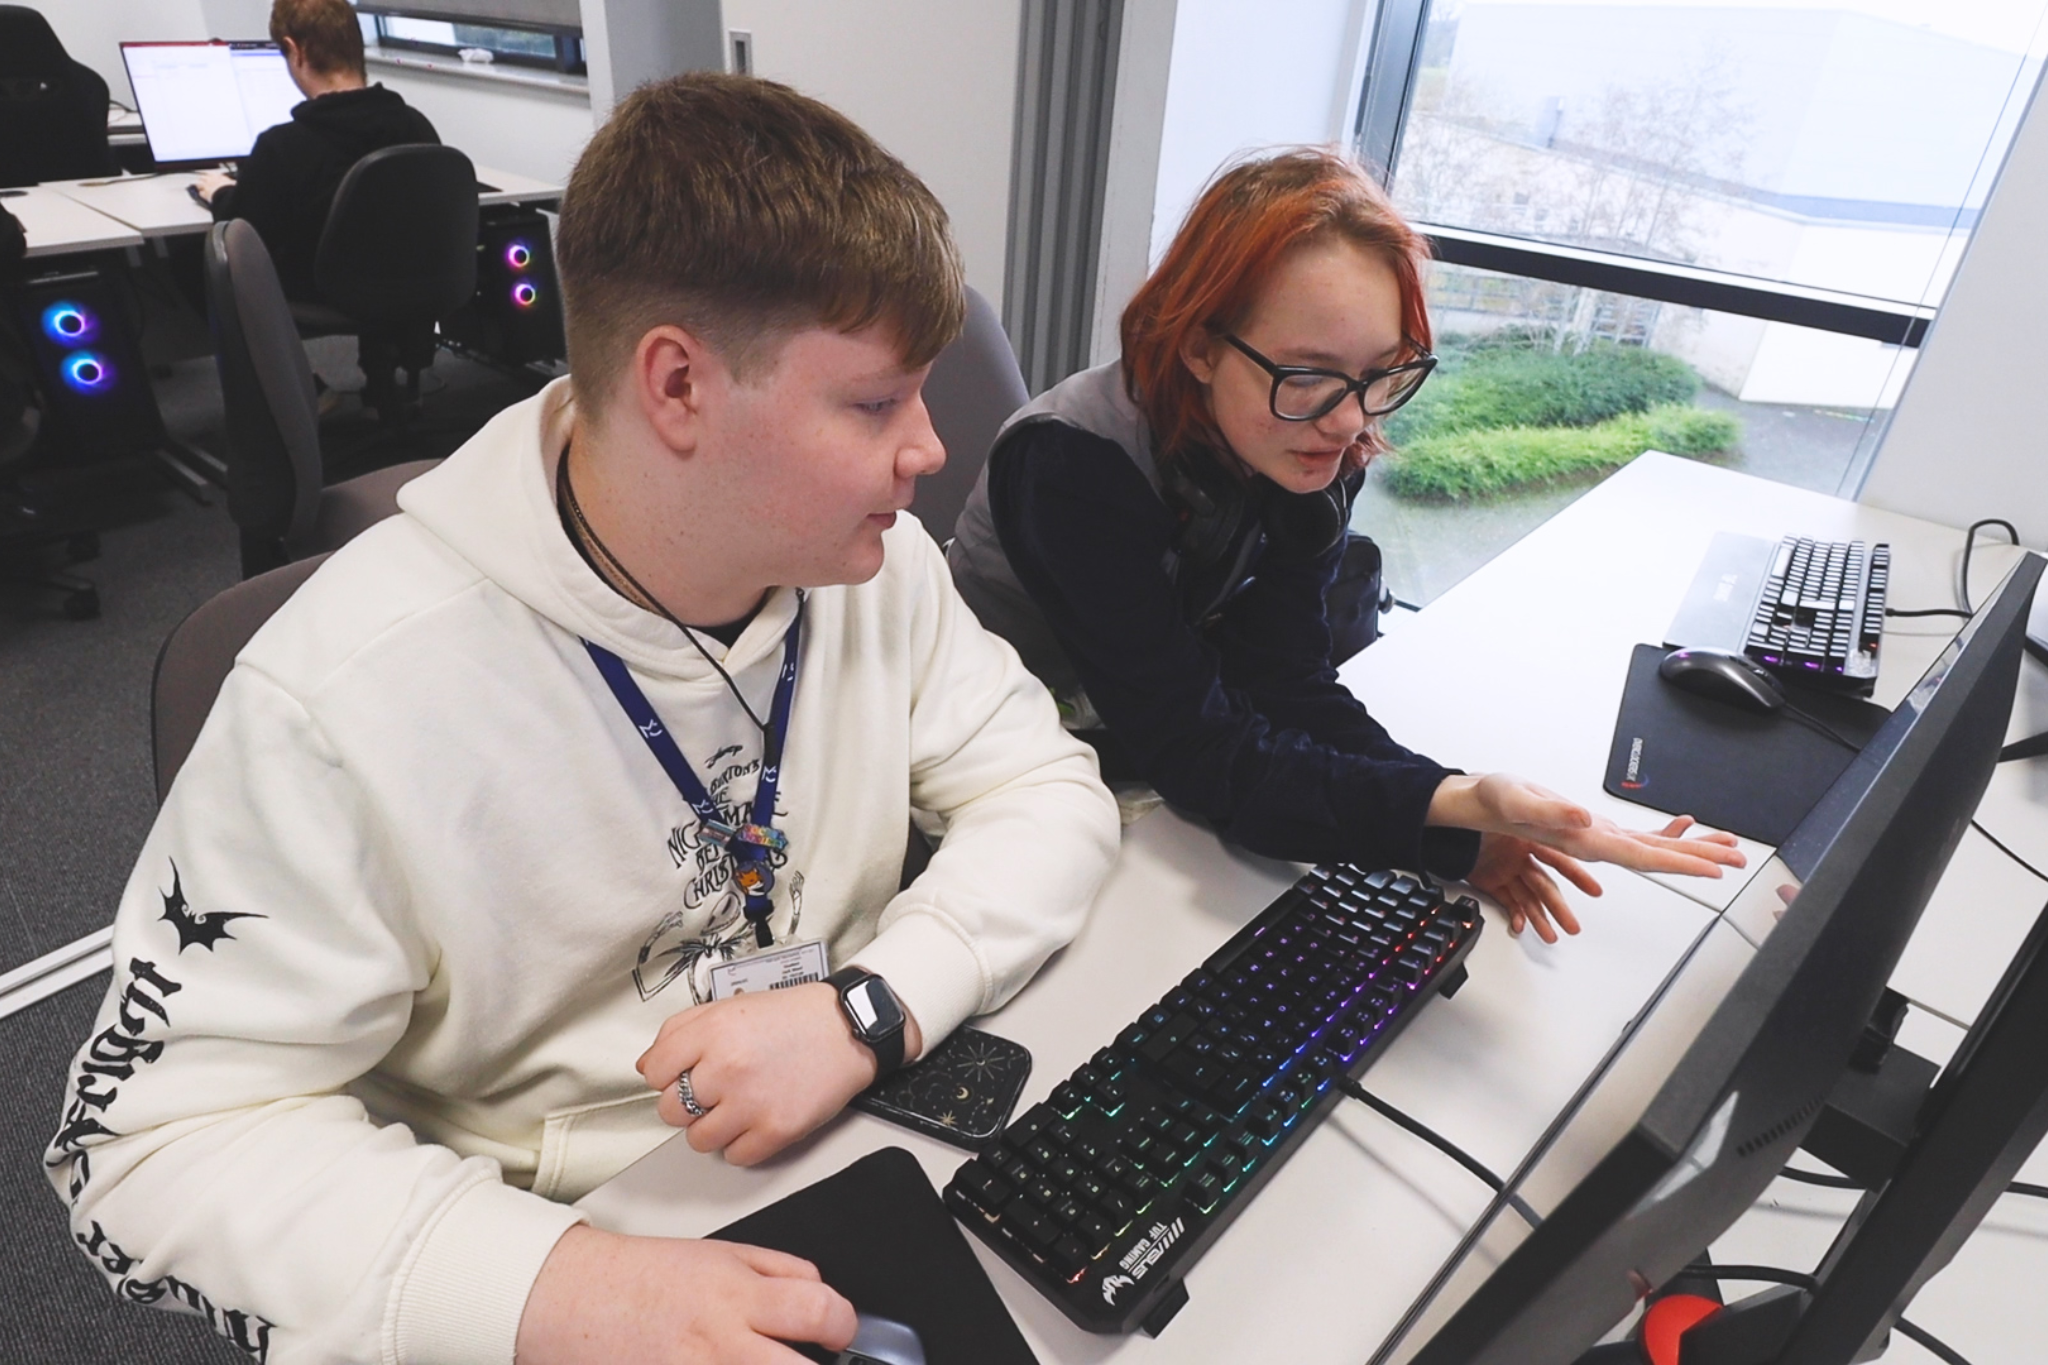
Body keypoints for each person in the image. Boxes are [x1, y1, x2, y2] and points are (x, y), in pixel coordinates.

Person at [47, 74, 1120, 1365]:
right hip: (536, 1240)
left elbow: (1049, 791)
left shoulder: (873, 571)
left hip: (834, 1125)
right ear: (677, 384)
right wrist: (555, 1288)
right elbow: (146, 1146)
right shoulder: (341, 695)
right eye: (876, 402)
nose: (932, 449)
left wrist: (866, 1009)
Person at [949, 149, 1743, 944]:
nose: (1351, 421)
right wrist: (1450, 813)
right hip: (1010, 752)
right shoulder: (1069, 466)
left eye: (1380, 373)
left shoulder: (1310, 442)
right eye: (1308, 375)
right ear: (1197, 345)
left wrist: (1460, 808)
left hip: (1146, 732)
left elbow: (1286, 681)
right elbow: (1196, 750)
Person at [195, 0, 438, 303]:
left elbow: (240, 233)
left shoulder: (283, 147)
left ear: (296, 51)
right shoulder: (416, 127)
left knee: (188, 262)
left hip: (321, 293)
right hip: (414, 288)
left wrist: (221, 194)